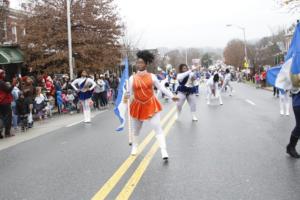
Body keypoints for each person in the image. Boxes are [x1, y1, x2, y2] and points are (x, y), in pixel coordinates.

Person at [124, 50, 179, 160]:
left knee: (157, 128)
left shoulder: (152, 76)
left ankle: (164, 150)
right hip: (137, 105)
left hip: (151, 105)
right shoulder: (131, 78)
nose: (139, 64)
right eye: (137, 62)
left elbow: (162, 88)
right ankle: (134, 147)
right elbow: (128, 94)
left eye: (141, 62)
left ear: (146, 64)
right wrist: (126, 97)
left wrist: (171, 95)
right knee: (136, 130)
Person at [0, 69, 14, 138]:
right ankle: (7, 133)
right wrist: (13, 84)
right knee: (8, 117)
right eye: (3, 73)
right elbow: (8, 90)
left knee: (1, 118)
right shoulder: (1, 82)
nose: (4, 75)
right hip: (4, 102)